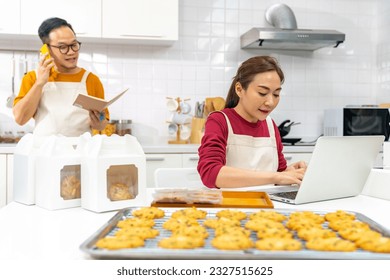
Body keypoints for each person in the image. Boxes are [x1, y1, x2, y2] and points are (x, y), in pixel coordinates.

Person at [197, 56, 307, 189]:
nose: (270, 102)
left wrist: (289, 173)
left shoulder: (270, 125)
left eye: (276, 94)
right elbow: (210, 174)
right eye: (262, 93)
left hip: (268, 206)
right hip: (232, 206)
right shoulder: (219, 121)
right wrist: (276, 176)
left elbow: (277, 175)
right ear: (239, 89)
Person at [13, 17, 108, 137]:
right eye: (63, 47)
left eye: (74, 44)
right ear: (47, 50)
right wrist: (40, 83)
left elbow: (102, 123)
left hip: (80, 152)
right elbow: (20, 119)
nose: (71, 52)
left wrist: (99, 122)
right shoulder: (33, 78)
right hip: (45, 152)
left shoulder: (91, 80)